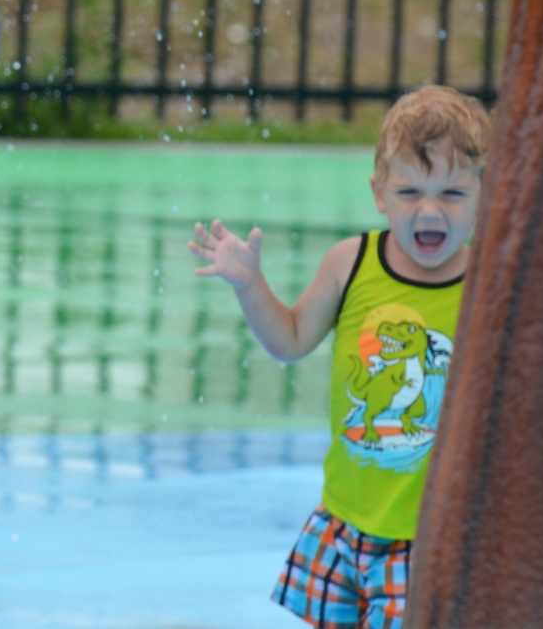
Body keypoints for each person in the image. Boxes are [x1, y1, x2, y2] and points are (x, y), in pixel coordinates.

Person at [188, 85, 490, 629]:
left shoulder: (489, 287)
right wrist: (250, 285)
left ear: (484, 195)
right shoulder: (350, 264)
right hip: (345, 519)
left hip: (431, 536)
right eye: (409, 191)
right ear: (379, 192)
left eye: (452, 193)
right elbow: (289, 340)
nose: (429, 210)